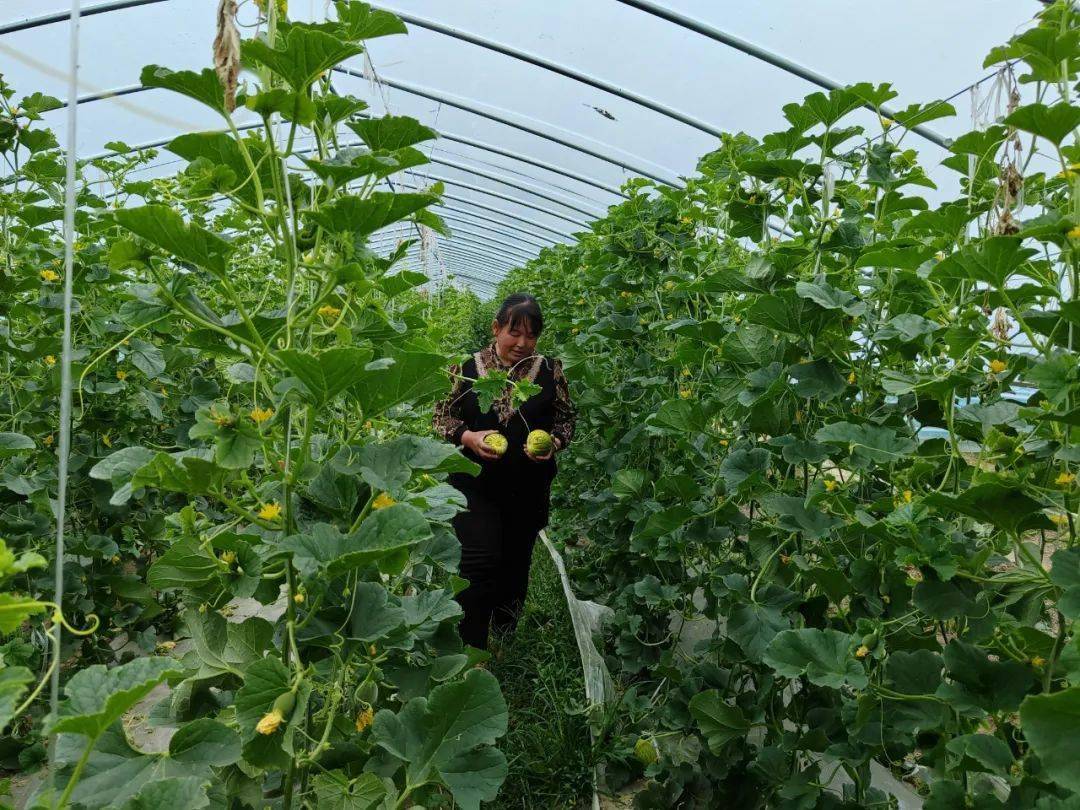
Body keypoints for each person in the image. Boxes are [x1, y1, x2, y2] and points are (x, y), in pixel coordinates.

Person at [432, 293, 576, 650]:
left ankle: (504, 636)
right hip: (474, 485)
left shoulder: (550, 370)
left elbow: (567, 420)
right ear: (496, 328)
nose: (522, 343)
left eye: (531, 336)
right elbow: (441, 417)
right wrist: (467, 435)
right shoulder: (464, 368)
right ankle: (472, 646)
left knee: (515, 562)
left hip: (527, 487)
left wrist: (553, 443)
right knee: (478, 561)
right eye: (514, 333)